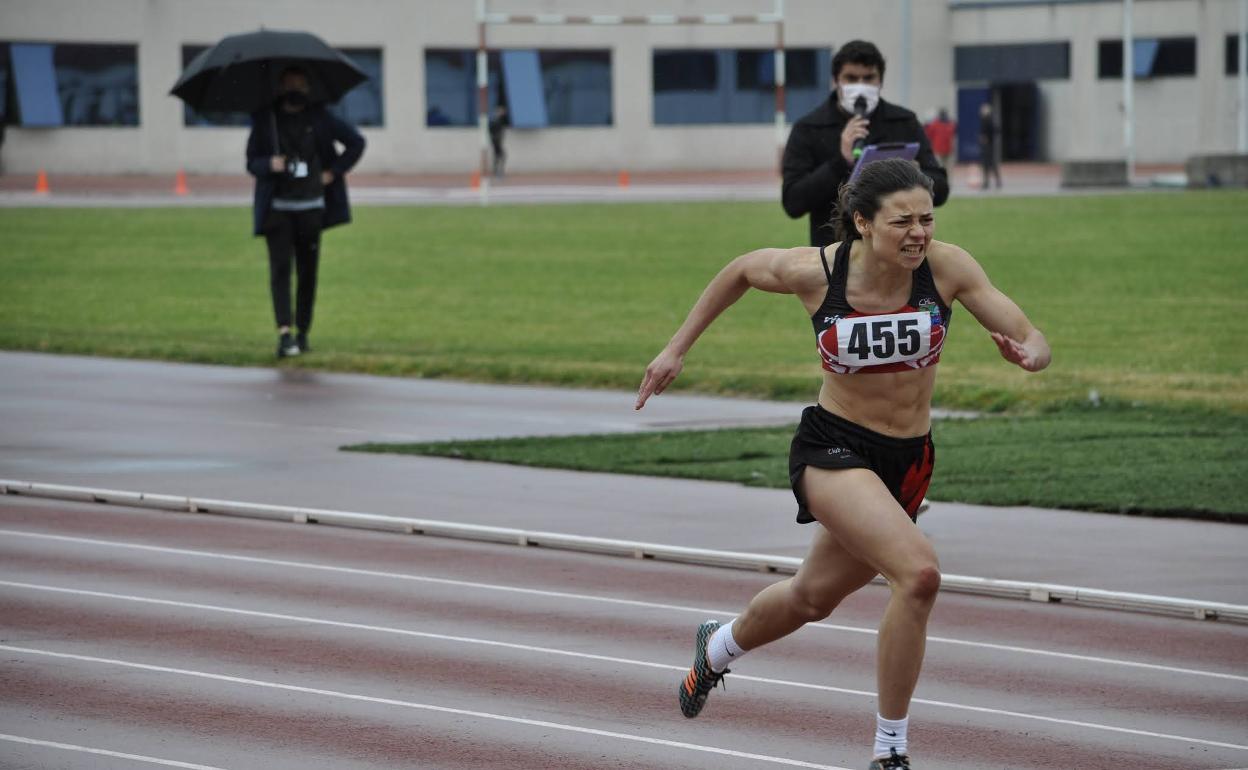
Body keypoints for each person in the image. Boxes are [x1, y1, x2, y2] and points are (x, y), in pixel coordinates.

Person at [637, 158, 1050, 770]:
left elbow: (1029, 333)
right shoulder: (819, 272)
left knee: (811, 599)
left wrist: (1031, 355)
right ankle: (890, 752)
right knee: (920, 575)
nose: (919, 233)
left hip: (907, 462)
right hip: (833, 449)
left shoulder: (948, 268)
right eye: (902, 221)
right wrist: (675, 350)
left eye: (928, 219)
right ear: (862, 222)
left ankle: (717, 650)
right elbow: (741, 271)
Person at [246, 67, 365, 358]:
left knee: (308, 272)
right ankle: (284, 333)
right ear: (280, 88)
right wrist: (269, 165)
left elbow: (356, 142)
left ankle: (303, 331)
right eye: (290, 85)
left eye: (301, 85)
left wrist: (333, 173)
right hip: (278, 208)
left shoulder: (321, 118)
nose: (295, 90)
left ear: (309, 89)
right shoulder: (266, 120)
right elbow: (251, 162)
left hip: (311, 207)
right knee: (280, 271)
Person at [782, 40, 948, 248]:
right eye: (851, 78)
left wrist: (916, 175)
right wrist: (840, 162)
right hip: (835, 254)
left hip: (896, 253)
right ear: (836, 81)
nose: (861, 86)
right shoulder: (809, 128)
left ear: (880, 82)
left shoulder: (904, 122)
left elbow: (940, 189)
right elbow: (793, 202)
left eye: (869, 78)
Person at [977, 103, 1002, 190]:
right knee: (989, 164)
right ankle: (992, 182)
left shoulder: (988, 120)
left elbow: (995, 130)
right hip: (988, 145)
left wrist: (986, 138)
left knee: (988, 164)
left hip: (988, 145)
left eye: (983, 110)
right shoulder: (988, 119)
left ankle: (988, 182)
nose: (981, 111)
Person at [488, 104, 508, 178]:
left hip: (498, 140)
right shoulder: (495, 120)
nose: (503, 112)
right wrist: (495, 137)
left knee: (499, 156)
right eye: (501, 111)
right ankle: (498, 171)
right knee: (501, 155)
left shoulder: (500, 119)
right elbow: (491, 129)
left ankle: (497, 171)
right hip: (496, 141)